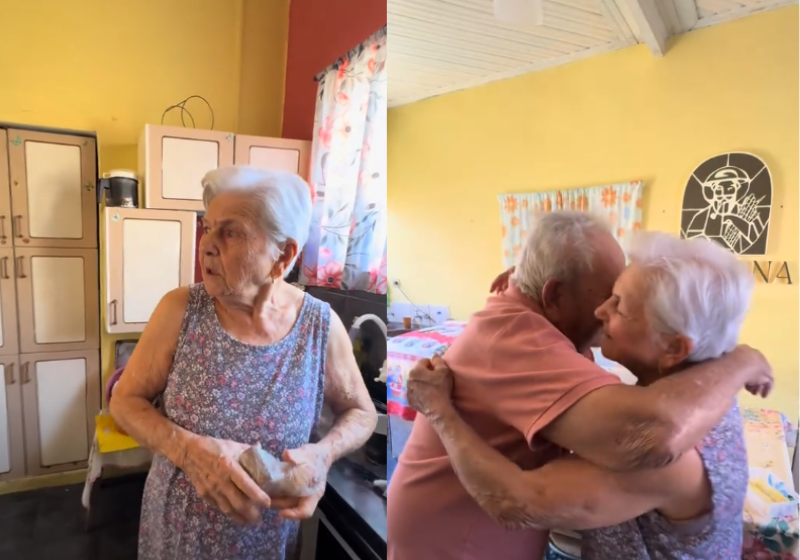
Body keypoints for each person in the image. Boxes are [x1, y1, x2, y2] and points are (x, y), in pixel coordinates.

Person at [386, 211, 771, 560]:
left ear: (674, 348)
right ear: (553, 294)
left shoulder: (677, 440)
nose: (602, 313)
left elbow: (519, 500)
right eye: (605, 295)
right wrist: (741, 360)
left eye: (617, 303)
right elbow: (518, 501)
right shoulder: (709, 395)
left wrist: (744, 359)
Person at [110, 166, 377, 560]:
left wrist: (324, 455)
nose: (207, 245)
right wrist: (187, 451)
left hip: (266, 540)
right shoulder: (180, 310)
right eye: (208, 228)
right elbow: (124, 401)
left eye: (231, 232)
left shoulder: (320, 326)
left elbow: (361, 410)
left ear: (282, 256)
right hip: (179, 533)